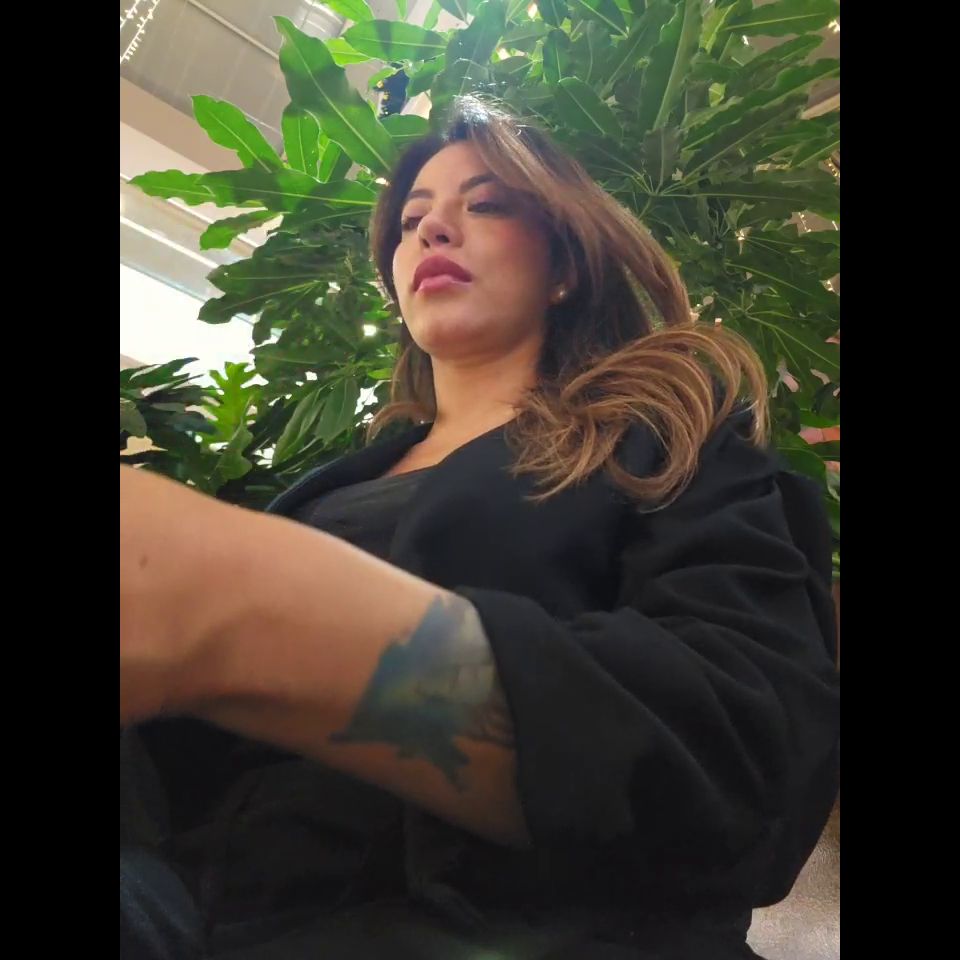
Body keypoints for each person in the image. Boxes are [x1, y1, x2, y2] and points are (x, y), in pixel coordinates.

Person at [120, 98, 840, 960]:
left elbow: (747, 759)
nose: (431, 230)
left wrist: (256, 622)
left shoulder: (668, 447)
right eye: (411, 221)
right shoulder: (329, 486)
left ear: (564, 265)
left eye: (487, 204)